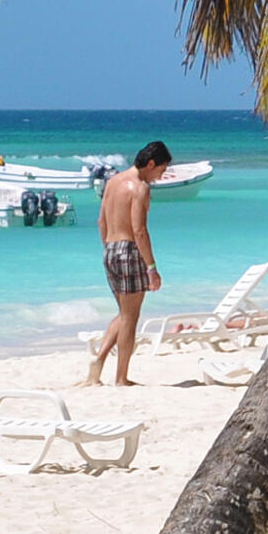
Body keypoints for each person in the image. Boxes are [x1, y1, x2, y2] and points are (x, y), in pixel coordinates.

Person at [84, 141, 171, 386]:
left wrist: (110, 249)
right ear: (151, 164)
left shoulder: (112, 182)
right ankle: (121, 377)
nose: (159, 178)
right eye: (160, 171)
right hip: (128, 249)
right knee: (131, 317)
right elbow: (139, 230)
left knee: (124, 313)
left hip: (109, 249)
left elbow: (101, 222)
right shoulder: (140, 188)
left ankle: (99, 360)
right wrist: (152, 268)